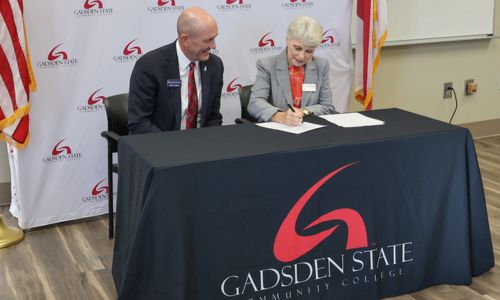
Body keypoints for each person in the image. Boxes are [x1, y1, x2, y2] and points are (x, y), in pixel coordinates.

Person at [128, 7, 223, 134]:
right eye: (207, 40)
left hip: (202, 145)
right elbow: (139, 123)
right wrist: (174, 146)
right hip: (161, 145)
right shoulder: (150, 66)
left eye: (214, 38)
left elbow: (213, 117)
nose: (213, 46)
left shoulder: (214, 65)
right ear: (185, 40)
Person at [247, 16, 336, 126]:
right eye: (297, 48)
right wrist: (280, 116)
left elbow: (327, 106)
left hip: (309, 130)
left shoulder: (321, 65)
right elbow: (255, 103)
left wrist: (304, 111)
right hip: (277, 131)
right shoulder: (267, 65)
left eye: (309, 51)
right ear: (287, 40)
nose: (302, 56)